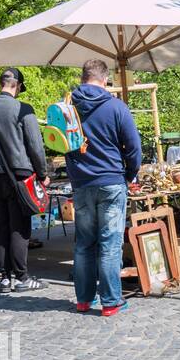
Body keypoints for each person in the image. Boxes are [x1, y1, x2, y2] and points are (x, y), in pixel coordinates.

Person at [68, 60, 142, 316]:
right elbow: (134, 149)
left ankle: (83, 300)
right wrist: (129, 175)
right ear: (105, 79)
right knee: (110, 244)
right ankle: (111, 302)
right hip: (111, 181)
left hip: (81, 182)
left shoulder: (68, 107)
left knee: (84, 244)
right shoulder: (116, 107)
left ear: (83, 77)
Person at [0, 68, 50, 293]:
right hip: (20, 175)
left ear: (1, 83)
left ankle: (5, 278)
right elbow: (35, 145)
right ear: (17, 86)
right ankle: (22, 277)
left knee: (2, 225)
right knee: (20, 227)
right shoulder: (23, 109)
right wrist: (42, 174)